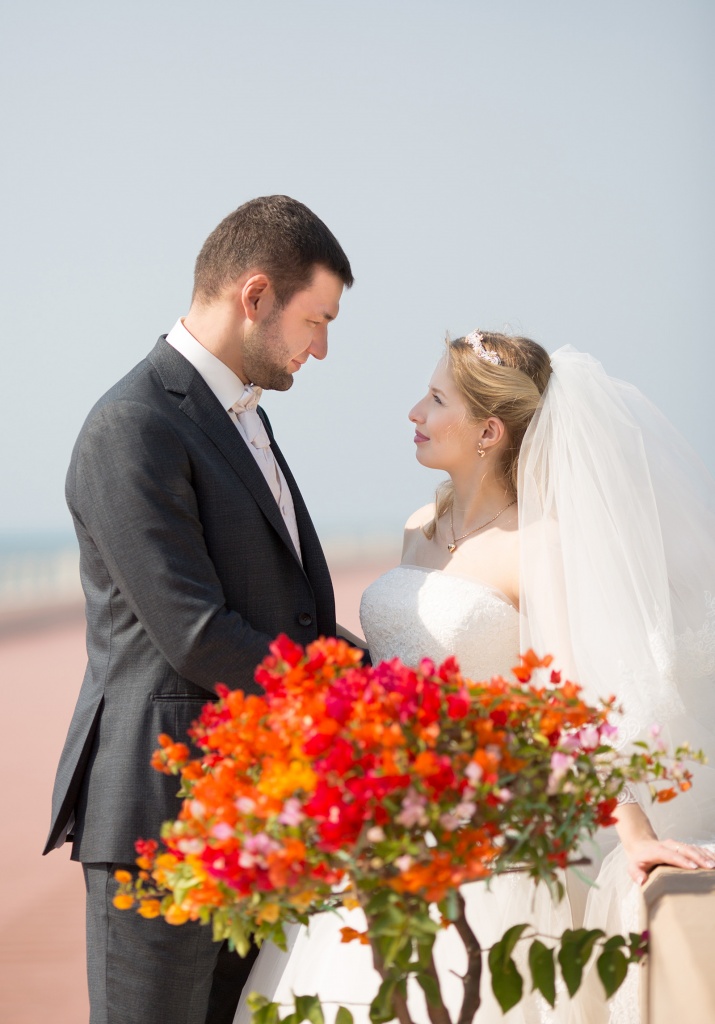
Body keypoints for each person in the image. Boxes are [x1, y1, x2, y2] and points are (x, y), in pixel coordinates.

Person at [233, 330, 715, 1024]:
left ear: (489, 431)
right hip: (383, 828)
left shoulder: (537, 544)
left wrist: (633, 830)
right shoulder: (419, 528)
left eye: (436, 400)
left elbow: (567, 700)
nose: (414, 413)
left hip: (486, 842)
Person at [44, 195, 356, 1024]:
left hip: (253, 809)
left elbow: (281, 610)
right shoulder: (132, 424)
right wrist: (352, 702)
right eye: (316, 320)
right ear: (255, 296)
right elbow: (195, 631)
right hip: (160, 818)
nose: (322, 348)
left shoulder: (242, 414)